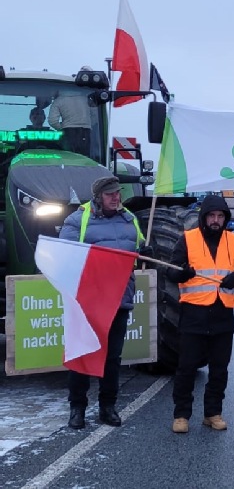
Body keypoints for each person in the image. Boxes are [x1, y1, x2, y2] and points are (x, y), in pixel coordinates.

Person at [59, 175, 147, 429]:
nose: (115, 198)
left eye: (117, 193)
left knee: (112, 358)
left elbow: (136, 250)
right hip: (89, 301)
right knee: (83, 353)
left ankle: (107, 407)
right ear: (98, 197)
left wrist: (143, 253)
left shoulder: (130, 219)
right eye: (110, 194)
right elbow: (66, 256)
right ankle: (77, 408)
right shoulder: (78, 219)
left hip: (119, 299)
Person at [167, 194, 234, 434]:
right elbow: (172, 272)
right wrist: (183, 273)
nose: (215, 220)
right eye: (211, 216)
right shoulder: (188, 239)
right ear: (203, 217)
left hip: (222, 314)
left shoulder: (233, 240)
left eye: (220, 216)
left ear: (225, 218)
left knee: (219, 368)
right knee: (187, 368)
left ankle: (213, 413)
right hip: (194, 314)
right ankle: (181, 414)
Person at [48, 85, 93, 155]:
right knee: (85, 158)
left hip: (69, 133)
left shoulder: (58, 101)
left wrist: (62, 128)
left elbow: (52, 121)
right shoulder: (85, 99)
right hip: (86, 132)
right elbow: (95, 116)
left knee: (69, 157)